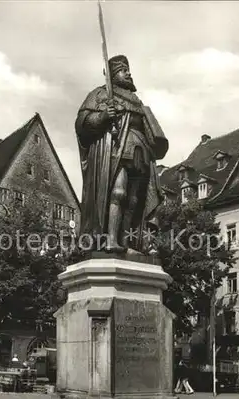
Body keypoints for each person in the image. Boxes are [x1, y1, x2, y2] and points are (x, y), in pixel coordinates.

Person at [75, 55, 168, 254]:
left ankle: (126, 242)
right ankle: (110, 240)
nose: (128, 73)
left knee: (135, 199)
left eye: (128, 70)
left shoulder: (136, 100)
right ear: (112, 74)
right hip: (117, 150)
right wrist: (102, 116)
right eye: (123, 70)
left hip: (140, 150)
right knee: (118, 192)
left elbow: (148, 128)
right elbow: (82, 123)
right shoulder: (99, 94)